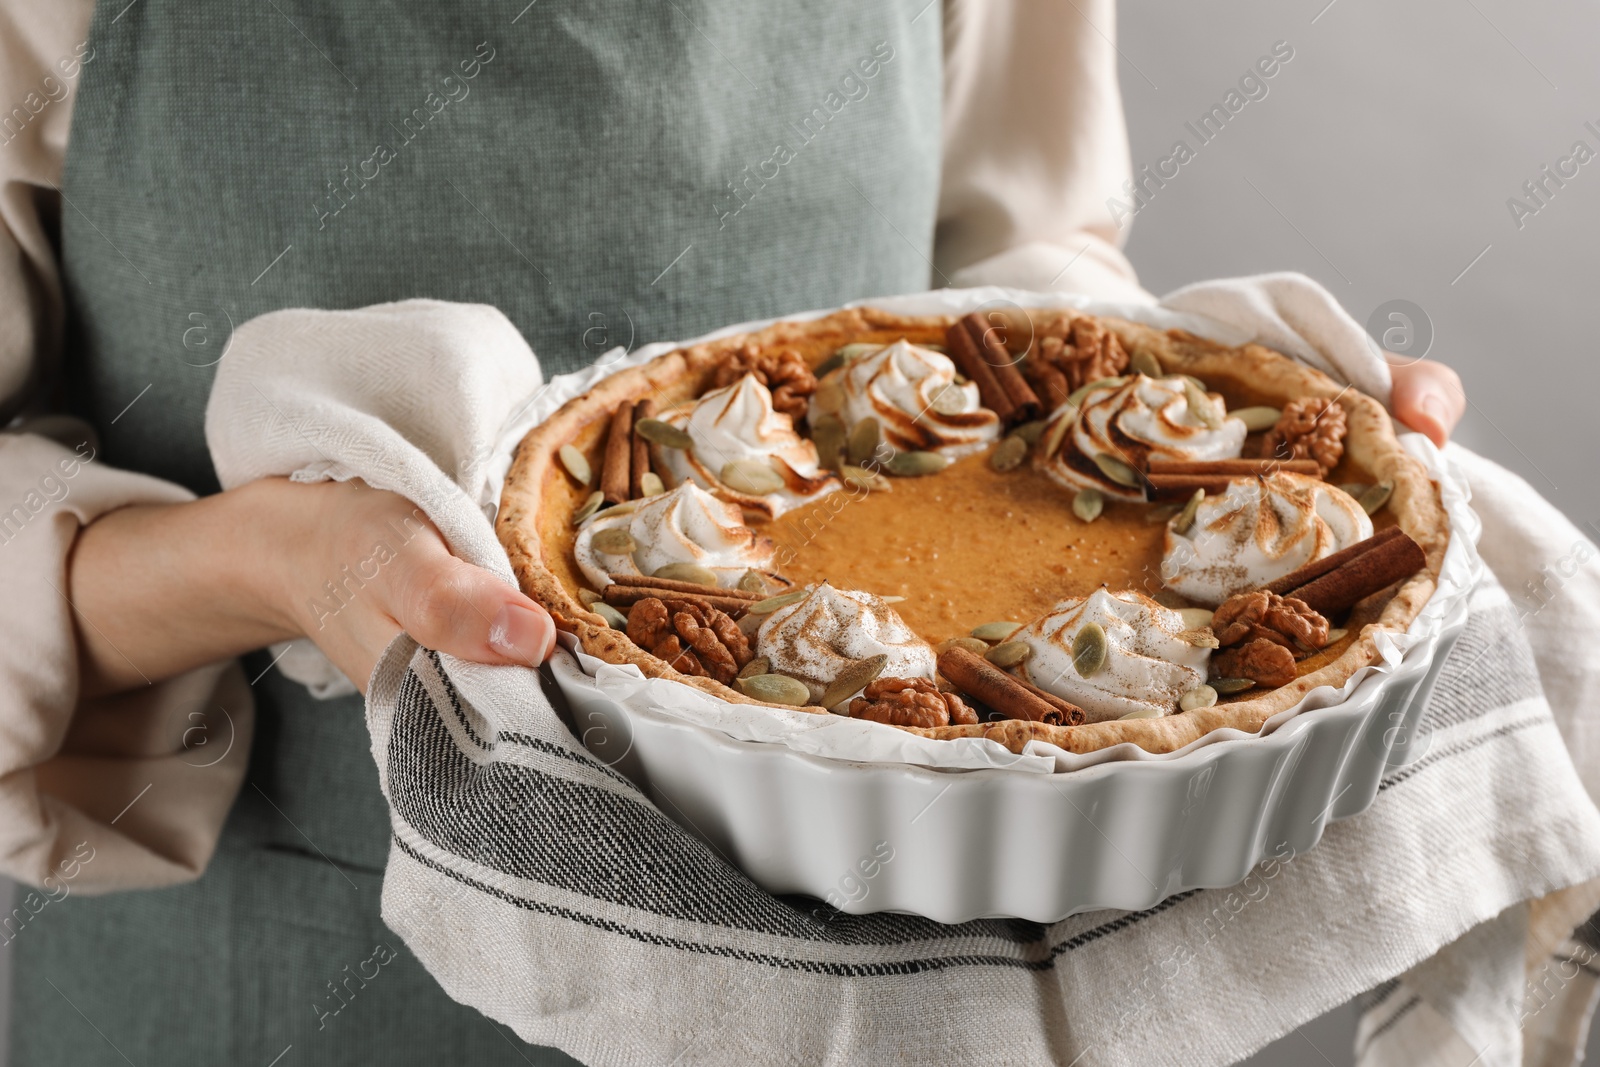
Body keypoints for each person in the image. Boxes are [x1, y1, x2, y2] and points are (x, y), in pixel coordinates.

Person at [0, 0, 1464, 1063]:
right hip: (251, 966)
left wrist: (1205, 434)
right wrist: (265, 566)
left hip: (882, 988)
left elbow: (1017, 309)